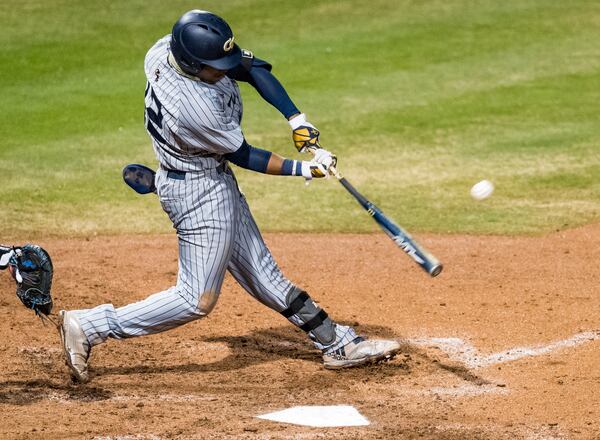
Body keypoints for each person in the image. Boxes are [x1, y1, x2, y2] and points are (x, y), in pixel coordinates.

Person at [59, 10, 401, 383]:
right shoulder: (192, 108)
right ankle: (90, 325)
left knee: (264, 276)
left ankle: (337, 343)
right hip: (199, 194)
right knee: (196, 299)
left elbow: (251, 67)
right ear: (192, 65)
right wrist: (305, 169)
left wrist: (296, 119)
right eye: (214, 65)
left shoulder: (164, 51)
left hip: (203, 179)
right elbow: (244, 155)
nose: (223, 69)